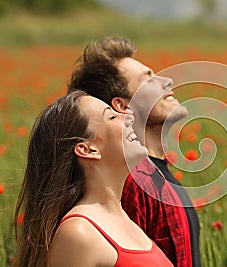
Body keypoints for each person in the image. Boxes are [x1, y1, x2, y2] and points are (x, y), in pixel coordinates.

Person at [68, 37, 201, 267]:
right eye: (148, 78)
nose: (167, 81)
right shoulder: (131, 185)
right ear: (123, 106)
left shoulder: (155, 175)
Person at [13, 91, 173, 267]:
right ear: (88, 150)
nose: (128, 114)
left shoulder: (126, 221)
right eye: (111, 116)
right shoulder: (78, 234)